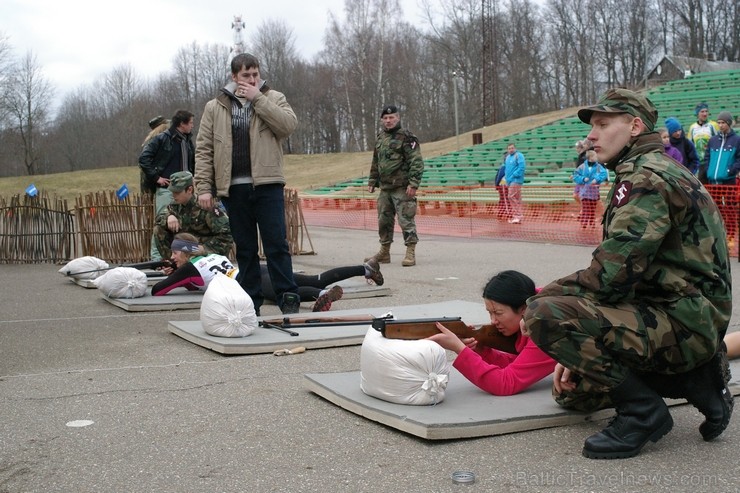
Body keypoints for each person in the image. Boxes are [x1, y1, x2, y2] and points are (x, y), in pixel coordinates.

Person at [524, 88, 733, 460]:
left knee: (544, 315)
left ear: (634, 127)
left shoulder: (646, 179)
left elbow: (610, 277)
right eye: (592, 126)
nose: (592, 135)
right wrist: (576, 349)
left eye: (603, 124)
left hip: (685, 321)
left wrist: (543, 302)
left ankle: (643, 413)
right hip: (676, 313)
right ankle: (697, 381)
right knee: (573, 393)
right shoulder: (646, 170)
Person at [194, 52, 300, 316]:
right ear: (234, 76)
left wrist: (258, 99)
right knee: (245, 248)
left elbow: (287, 126)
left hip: (267, 184)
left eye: (255, 74)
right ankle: (251, 302)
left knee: (276, 244)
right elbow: (204, 149)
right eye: (246, 76)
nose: (252, 80)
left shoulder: (274, 98)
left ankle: (288, 296)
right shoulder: (215, 106)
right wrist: (204, 188)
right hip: (234, 188)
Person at [427, 270, 555, 396]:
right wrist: (482, 351)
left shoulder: (547, 326)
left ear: (523, 309)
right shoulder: (534, 305)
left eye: (498, 313)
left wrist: (459, 348)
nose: (493, 321)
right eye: (490, 312)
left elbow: (505, 383)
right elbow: (517, 363)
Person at [366, 105, 424, 267]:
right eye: (385, 118)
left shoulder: (407, 137)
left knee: (406, 219)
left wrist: (413, 184)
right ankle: (384, 252)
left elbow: (416, 161)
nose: (388, 121)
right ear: (382, 120)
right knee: (383, 220)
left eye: (392, 118)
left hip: (402, 187)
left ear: (398, 118)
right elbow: (376, 162)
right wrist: (372, 181)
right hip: (385, 188)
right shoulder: (380, 138)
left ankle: (410, 251)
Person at [139, 110, 196, 261]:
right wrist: (156, 177)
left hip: (185, 189)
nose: (192, 126)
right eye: (190, 123)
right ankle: (158, 260)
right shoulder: (162, 138)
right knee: (162, 222)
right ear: (182, 124)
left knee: (185, 223)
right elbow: (144, 158)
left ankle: (182, 258)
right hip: (167, 189)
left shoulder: (187, 140)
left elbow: (193, 162)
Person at [153, 171, 233, 261]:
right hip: (184, 248)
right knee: (158, 229)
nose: (174, 195)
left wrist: (205, 249)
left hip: (203, 250)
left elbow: (227, 233)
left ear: (189, 190)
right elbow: (159, 219)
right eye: (173, 191)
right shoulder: (175, 205)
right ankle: (173, 262)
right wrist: (168, 216)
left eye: (177, 192)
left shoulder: (204, 206)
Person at [261, 258, 385, 312]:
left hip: (255, 275)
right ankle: (367, 269)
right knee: (316, 281)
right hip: (263, 269)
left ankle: (323, 294)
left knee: (281, 292)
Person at [152, 233, 238, 296]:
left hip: (237, 290)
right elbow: (194, 287)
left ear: (185, 253)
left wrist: (174, 275)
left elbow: (157, 290)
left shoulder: (190, 267)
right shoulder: (216, 256)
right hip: (241, 278)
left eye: (175, 253)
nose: (172, 257)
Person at [702, 111, 740, 242]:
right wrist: (708, 170)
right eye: (718, 122)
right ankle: (717, 235)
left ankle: (730, 236)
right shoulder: (713, 140)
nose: (720, 125)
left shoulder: (737, 140)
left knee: (729, 208)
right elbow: (706, 157)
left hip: (728, 182)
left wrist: (730, 171)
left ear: (728, 123)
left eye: (723, 122)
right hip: (713, 182)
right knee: (714, 210)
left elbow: (739, 160)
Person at [572, 150, 607, 228]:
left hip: (594, 193)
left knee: (592, 209)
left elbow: (604, 174)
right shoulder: (582, 167)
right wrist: (583, 179)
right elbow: (575, 176)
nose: (596, 158)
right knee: (585, 209)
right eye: (595, 156)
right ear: (590, 158)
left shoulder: (598, 167)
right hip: (584, 192)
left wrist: (597, 179)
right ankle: (583, 223)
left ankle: (591, 223)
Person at [688, 102, 720, 179]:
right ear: (697, 113)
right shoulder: (692, 127)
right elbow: (689, 146)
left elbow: (719, 141)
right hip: (699, 164)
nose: (705, 114)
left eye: (706, 111)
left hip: (711, 162)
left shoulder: (713, 125)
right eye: (702, 111)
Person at [503, 143, 526, 224]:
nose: (511, 150)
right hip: (509, 181)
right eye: (509, 148)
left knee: (511, 196)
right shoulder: (507, 157)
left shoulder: (519, 155)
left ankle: (517, 215)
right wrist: (507, 179)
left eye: (512, 148)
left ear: (515, 148)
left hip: (516, 180)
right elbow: (506, 169)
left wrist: (514, 175)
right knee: (517, 198)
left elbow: (521, 168)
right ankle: (518, 217)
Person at [494, 153, 510, 220]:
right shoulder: (503, 167)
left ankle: (502, 213)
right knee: (505, 200)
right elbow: (499, 176)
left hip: (508, 185)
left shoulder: (511, 166)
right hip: (503, 184)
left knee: (505, 200)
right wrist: (497, 184)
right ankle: (508, 213)